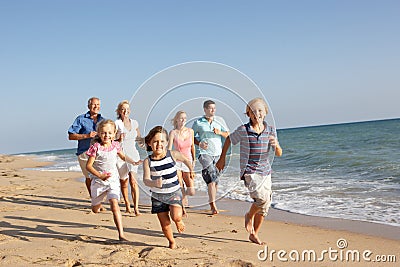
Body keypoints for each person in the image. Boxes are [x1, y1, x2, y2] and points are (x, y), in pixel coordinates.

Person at [216, 98, 283, 245]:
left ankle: (254, 234)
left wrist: (276, 145)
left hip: (266, 172)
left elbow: (279, 153)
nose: (256, 113)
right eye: (252, 111)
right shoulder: (243, 130)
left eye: (260, 110)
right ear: (248, 114)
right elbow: (228, 140)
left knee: (265, 207)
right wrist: (222, 159)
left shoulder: (271, 130)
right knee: (261, 199)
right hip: (250, 171)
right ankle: (249, 215)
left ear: (265, 112)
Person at [86, 119, 140, 242]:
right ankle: (96, 205)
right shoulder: (96, 147)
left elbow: (122, 156)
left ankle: (121, 234)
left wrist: (133, 161)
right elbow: (88, 166)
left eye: (110, 133)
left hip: (113, 181)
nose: (107, 135)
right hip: (99, 182)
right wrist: (100, 176)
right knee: (95, 208)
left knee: (114, 204)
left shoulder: (115, 145)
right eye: (104, 133)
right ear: (99, 133)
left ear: (114, 133)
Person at [142, 126, 194, 249]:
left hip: (174, 192)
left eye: (162, 141)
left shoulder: (172, 154)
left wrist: (191, 169)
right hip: (158, 196)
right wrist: (153, 183)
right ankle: (171, 241)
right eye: (155, 141)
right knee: (165, 223)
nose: (159, 144)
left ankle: (179, 220)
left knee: (175, 216)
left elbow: (185, 159)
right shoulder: (147, 161)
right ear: (149, 143)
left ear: (166, 142)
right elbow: (145, 180)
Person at [192, 100, 229, 215]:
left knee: (216, 180)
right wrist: (199, 144)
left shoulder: (220, 120)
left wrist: (220, 133)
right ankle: (213, 204)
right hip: (204, 153)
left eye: (214, 108)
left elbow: (228, 134)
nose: (213, 110)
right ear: (205, 109)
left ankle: (211, 200)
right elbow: (191, 137)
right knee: (212, 178)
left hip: (218, 153)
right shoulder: (198, 122)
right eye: (211, 108)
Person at [68, 97, 104, 198]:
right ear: (88, 106)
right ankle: (94, 199)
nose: (96, 106)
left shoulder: (103, 120)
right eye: (93, 104)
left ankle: (98, 198)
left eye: (98, 105)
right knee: (89, 178)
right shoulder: (81, 119)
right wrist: (87, 136)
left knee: (100, 177)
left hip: (100, 153)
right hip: (85, 152)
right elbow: (71, 136)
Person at [115, 100, 143, 215]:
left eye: (127, 109)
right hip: (121, 155)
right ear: (119, 111)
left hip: (133, 153)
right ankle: (127, 203)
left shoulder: (135, 123)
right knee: (124, 182)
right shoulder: (117, 123)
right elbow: (112, 140)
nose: (125, 111)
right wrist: (119, 138)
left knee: (133, 180)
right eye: (123, 109)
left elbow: (139, 138)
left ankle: (136, 207)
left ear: (129, 111)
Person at [167, 111, 196, 214]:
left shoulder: (190, 131)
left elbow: (192, 146)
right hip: (176, 162)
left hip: (188, 161)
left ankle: (183, 197)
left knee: (191, 191)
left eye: (185, 118)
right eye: (181, 118)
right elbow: (169, 148)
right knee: (180, 185)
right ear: (176, 120)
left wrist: (194, 160)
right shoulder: (173, 133)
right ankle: (182, 206)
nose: (183, 120)